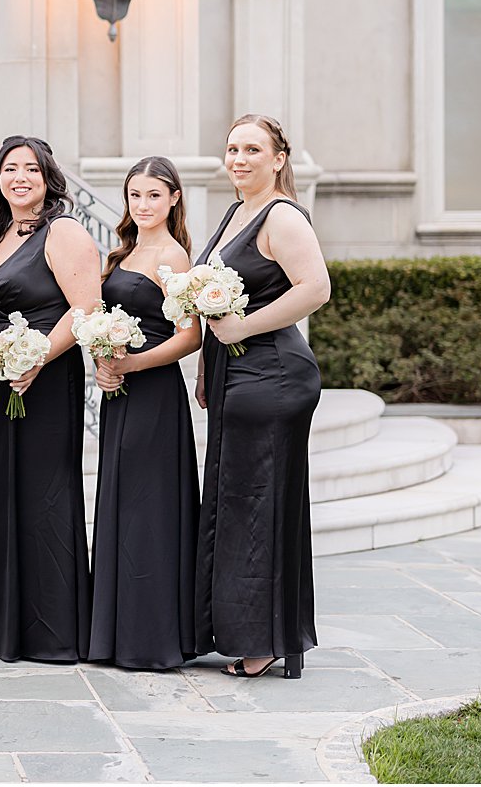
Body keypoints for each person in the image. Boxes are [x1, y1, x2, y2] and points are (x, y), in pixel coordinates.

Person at [194, 114, 330, 680]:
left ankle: (265, 641)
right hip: (234, 372)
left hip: (273, 374)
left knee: (258, 506)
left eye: (253, 149)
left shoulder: (281, 216)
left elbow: (316, 288)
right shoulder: (234, 214)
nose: (239, 159)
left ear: (278, 159)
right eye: (232, 149)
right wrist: (208, 366)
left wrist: (243, 328)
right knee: (238, 503)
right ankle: (243, 630)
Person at [0, 136, 101, 664]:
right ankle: (8, 626)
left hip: (45, 382)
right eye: (10, 168)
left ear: (49, 177)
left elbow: (86, 305)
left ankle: (54, 632)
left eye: (31, 168)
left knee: (45, 500)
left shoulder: (63, 231)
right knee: (2, 498)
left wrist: (36, 358)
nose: (19, 177)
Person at [87, 156, 202, 670]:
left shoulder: (174, 258)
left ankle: (151, 639)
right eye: (135, 195)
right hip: (120, 392)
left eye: (154, 195)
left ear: (174, 198)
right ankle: (115, 635)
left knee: (148, 511)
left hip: (154, 395)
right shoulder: (125, 251)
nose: (143, 204)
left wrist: (131, 363)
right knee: (119, 504)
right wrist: (103, 362)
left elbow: (189, 337)